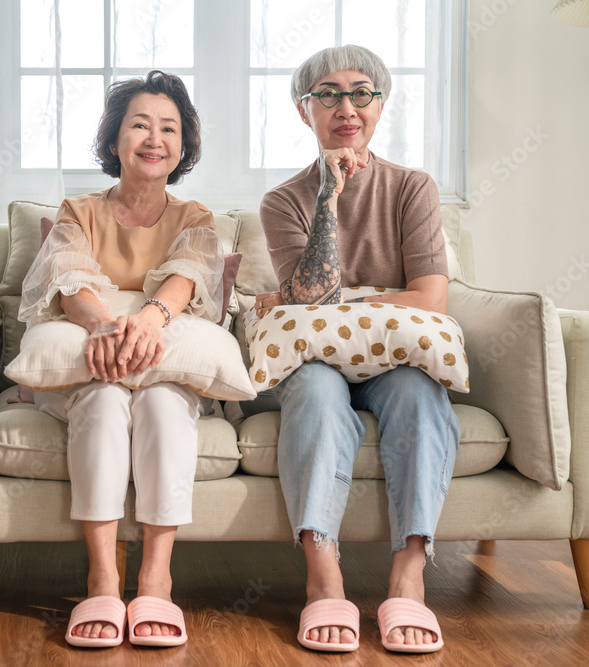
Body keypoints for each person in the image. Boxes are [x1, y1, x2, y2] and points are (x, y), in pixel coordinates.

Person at [247, 45, 458, 654]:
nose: (346, 107)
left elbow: (431, 298)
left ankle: (409, 578)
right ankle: (323, 577)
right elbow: (314, 297)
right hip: (315, 360)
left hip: (395, 360)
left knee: (420, 393)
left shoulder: (412, 187)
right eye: (328, 95)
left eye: (361, 93)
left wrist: (341, 305)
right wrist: (327, 198)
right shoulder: (283, 200)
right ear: (303, 111)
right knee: (313, 389)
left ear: (380, 105)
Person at [18, 71, 223, 648]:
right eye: (140, 125)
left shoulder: (195, 218)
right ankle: (103, 577)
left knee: (160, 405)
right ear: (115, 141)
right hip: (94, 363)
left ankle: (157, 579)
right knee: (107, 403)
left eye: (169, 128)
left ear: (182, 147)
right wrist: (107, 326)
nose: (154, 138)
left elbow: (187, 279)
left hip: (163, 363)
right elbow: (67, 280)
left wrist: (148, 320)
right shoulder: (78, 210)